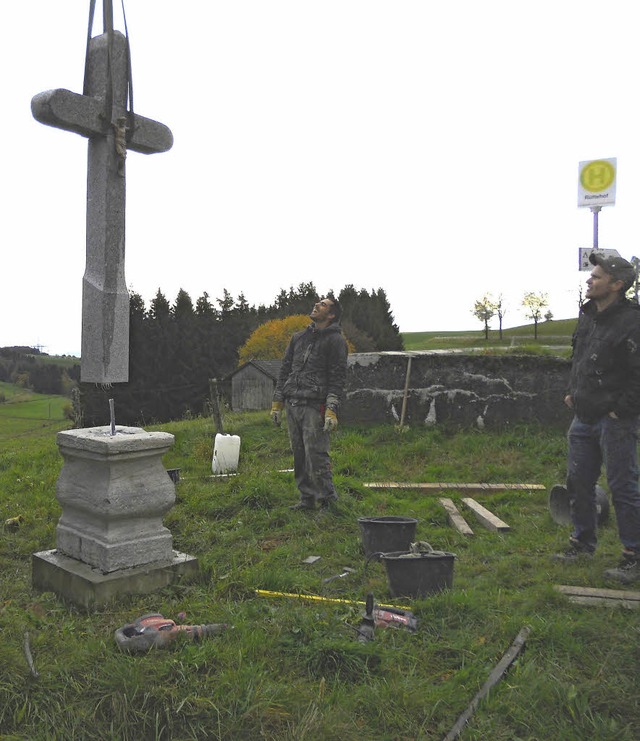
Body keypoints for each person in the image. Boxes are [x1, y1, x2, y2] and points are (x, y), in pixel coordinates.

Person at [557, 252, 640, 582]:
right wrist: (572, 391)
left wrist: (621, 409)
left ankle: (632, 556)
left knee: (622, 487)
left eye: (598, 277)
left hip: (615, 419)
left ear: (617, 285)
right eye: (591, 275)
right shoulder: (588, 314)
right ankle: (582, 543)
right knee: (578, 482)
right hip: (583, 414)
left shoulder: (633, 321)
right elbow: (580, 357)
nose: (590, 280)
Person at [270, 297, 348, 511]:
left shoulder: (336, 341)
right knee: (299, 455)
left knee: (316, 456)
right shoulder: (298, 338)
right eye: (317, 303)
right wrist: (278, 402)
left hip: (315, 406)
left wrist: (331, 409)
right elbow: (285, 369)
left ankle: (327, 502)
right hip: (293, 404)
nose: (316, 305)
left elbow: (337, 377)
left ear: (331, 315)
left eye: (323, 305)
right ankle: (307, 499)